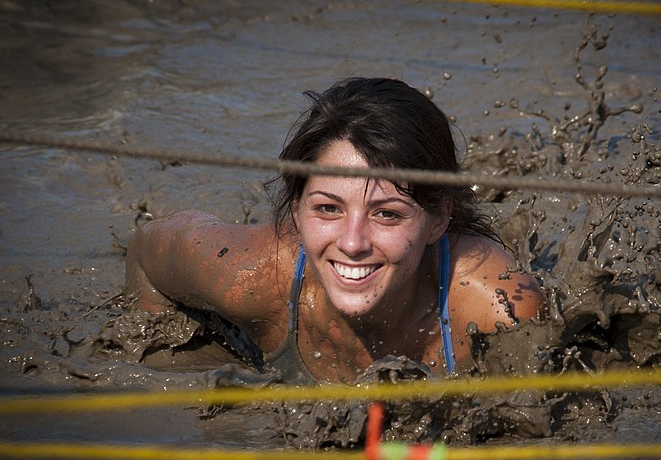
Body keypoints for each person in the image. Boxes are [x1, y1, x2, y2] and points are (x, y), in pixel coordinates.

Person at [124, 77, 545, 384]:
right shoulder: (252, 276)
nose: (351, 243)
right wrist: (180, 368)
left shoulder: (493, 313)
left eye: (387, 215)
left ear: (437, 219)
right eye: (328, 208)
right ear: (296, 208)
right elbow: (147, 253)